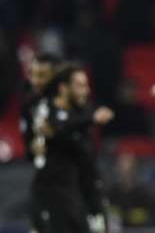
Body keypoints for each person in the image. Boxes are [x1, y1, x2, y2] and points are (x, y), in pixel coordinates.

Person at [31, 63, 113, 233]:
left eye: (87, 85)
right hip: (59, 193)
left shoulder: (82, 111)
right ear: (63, 88)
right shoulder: (47, 110)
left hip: (88, 191)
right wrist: (90, 119)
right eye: (80, 86)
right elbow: (56, 130)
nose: (86, 91)